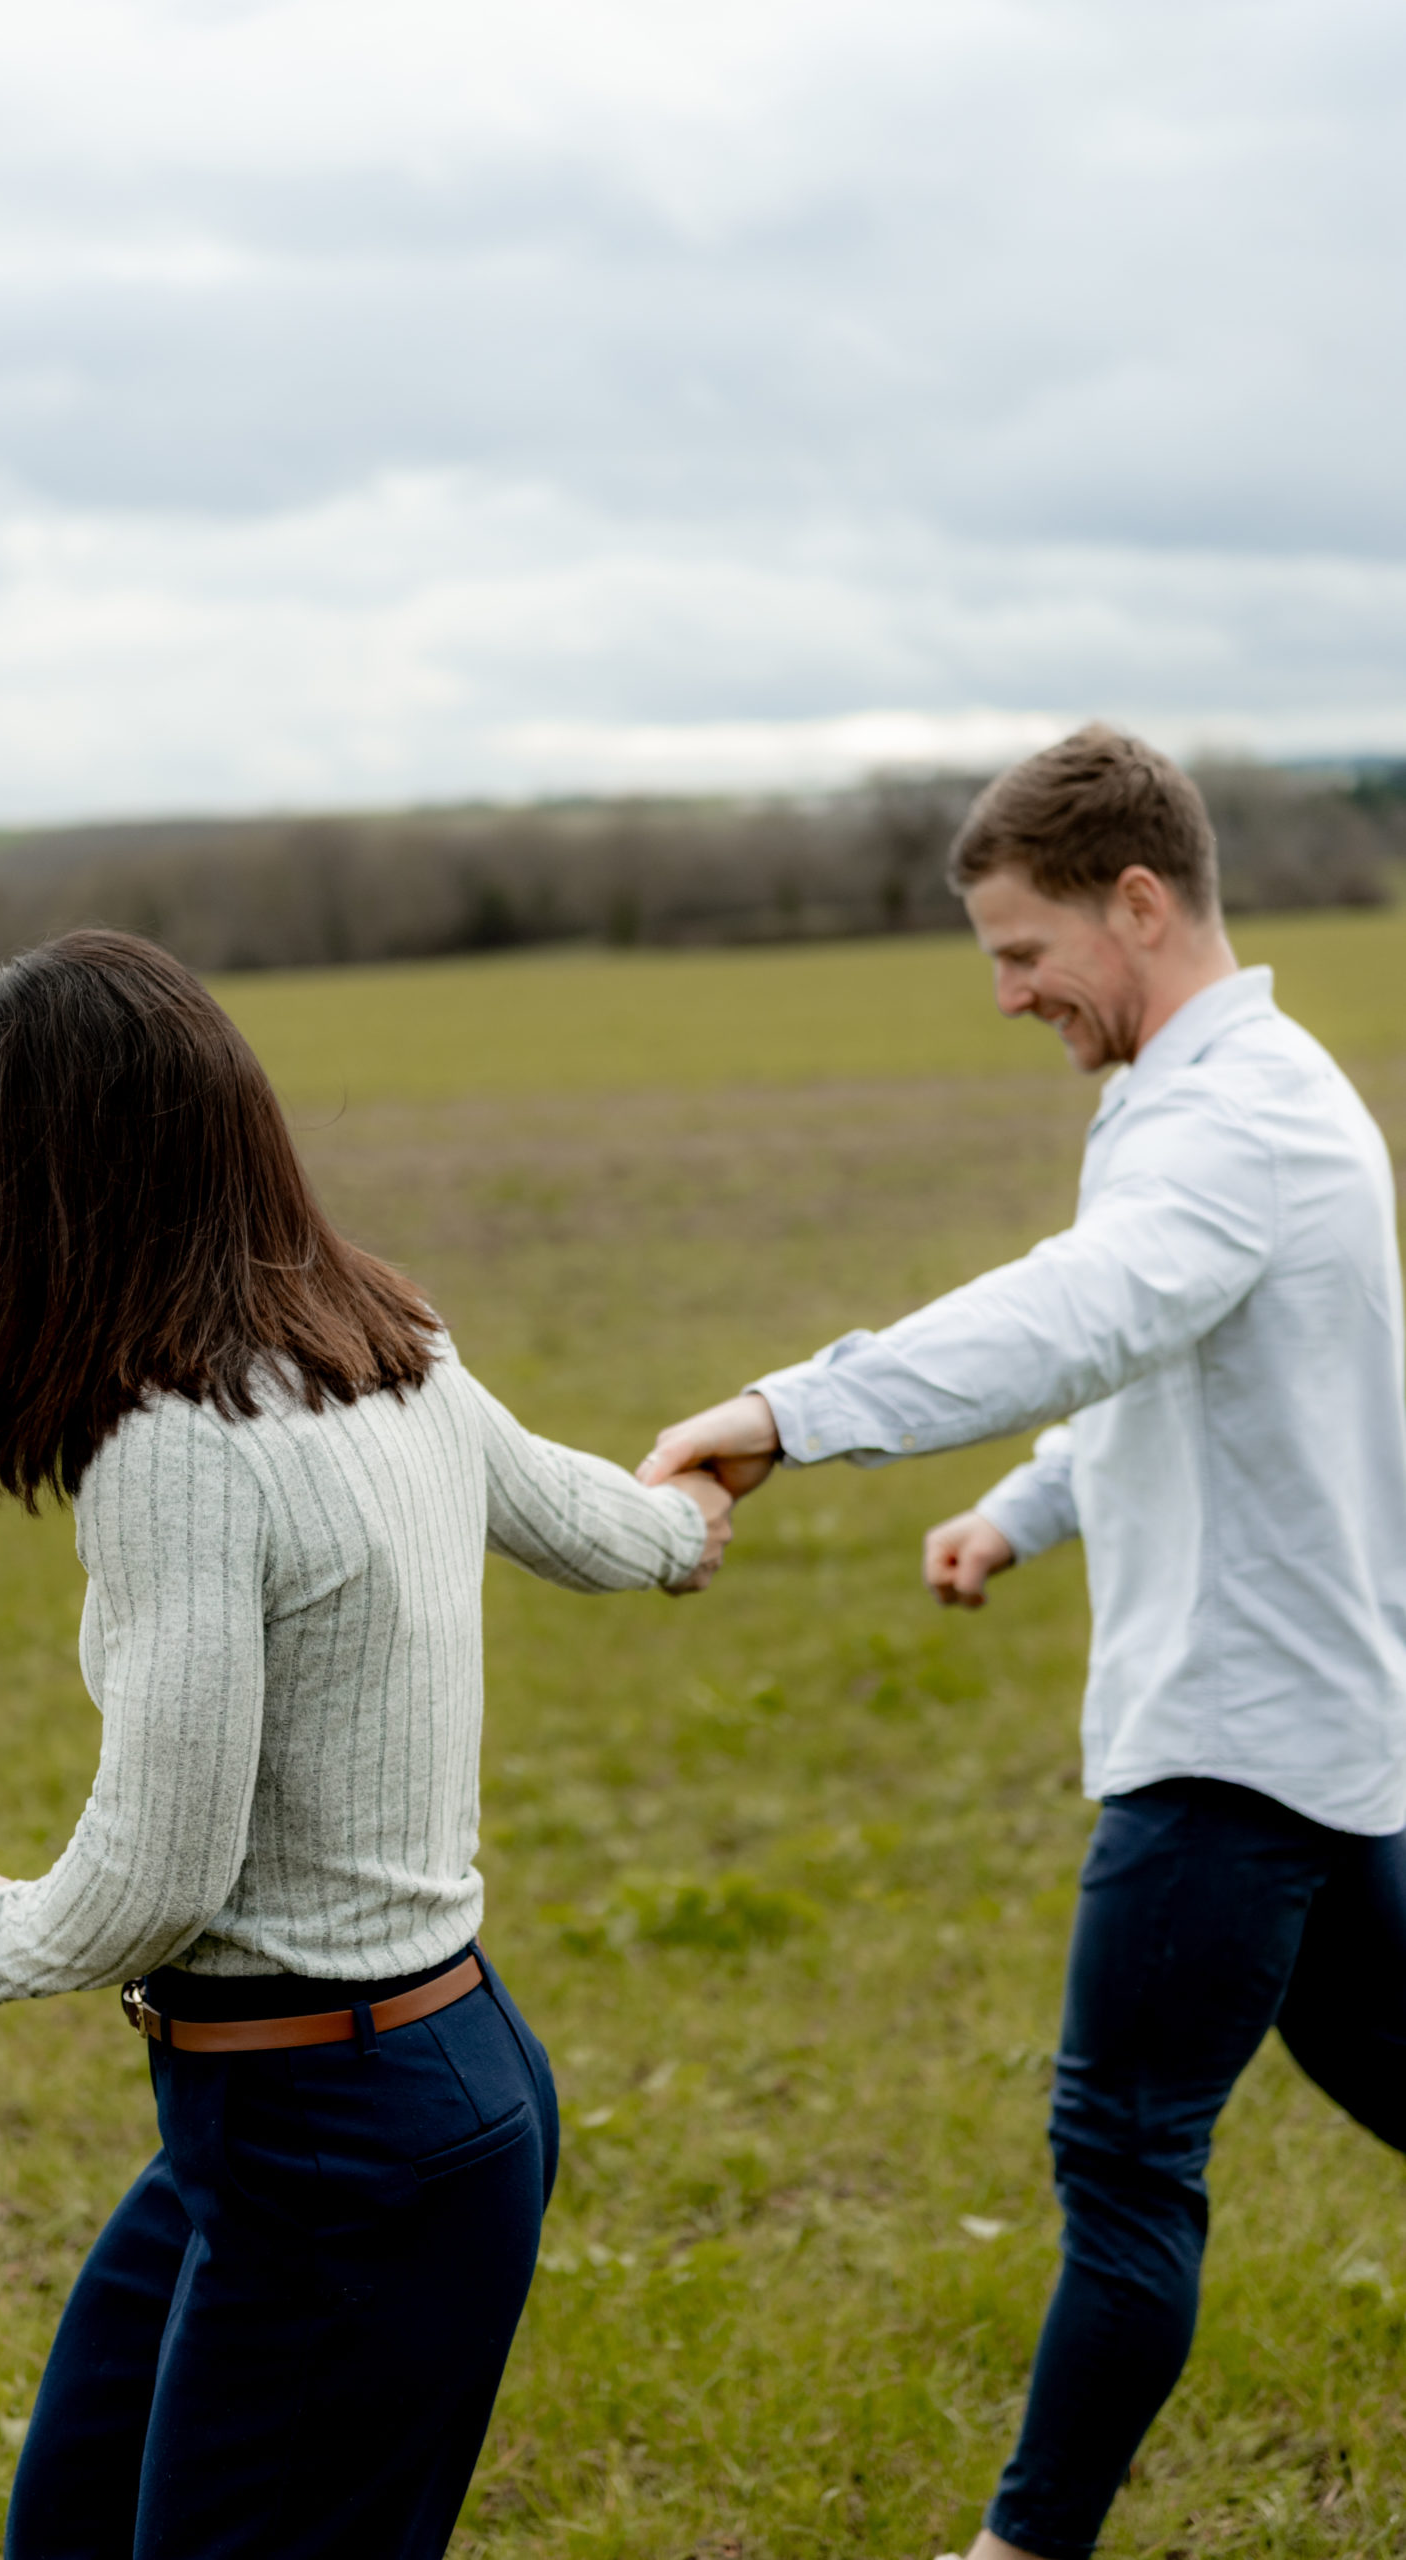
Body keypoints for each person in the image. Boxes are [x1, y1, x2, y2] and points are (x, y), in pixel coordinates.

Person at [0, 928, 733, 2560]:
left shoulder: (180, 1451)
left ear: (46, 1200)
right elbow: (585, 1518)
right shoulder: (384, 1340)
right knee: (71, 2519)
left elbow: (164, 1868)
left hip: (344, 2137)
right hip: (355, 2108)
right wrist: (687, 1521)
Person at [637, 725, 1406, 2560]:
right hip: (1320, 1731)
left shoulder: (1232, 1123)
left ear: (1138, 904)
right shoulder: (1235, 1097)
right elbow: (1180, 1356)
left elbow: (1082, 1310)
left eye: (1022, 952)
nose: (1007, 996)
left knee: (1124, 2164)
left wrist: (788, 1411)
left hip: (1228, 1750)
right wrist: (1030, 1506)